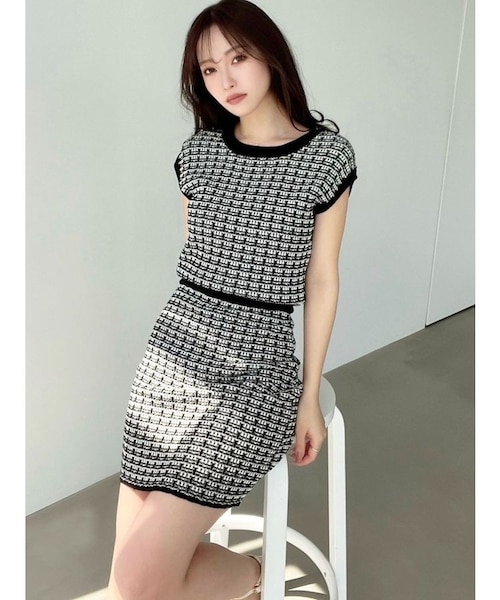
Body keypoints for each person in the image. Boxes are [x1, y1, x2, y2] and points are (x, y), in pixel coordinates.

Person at [107, 0, 357, 598]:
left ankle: (258, 576)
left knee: (138, 582)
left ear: (270, 55)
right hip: (173, 355)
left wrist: (308, 396)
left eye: (238, 58)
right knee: (125, 579)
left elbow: (322, 280)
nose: (225, 79)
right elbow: (198, 261)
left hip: (257, 369)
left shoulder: (326, 158)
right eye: (210, 68)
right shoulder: (197, 156)